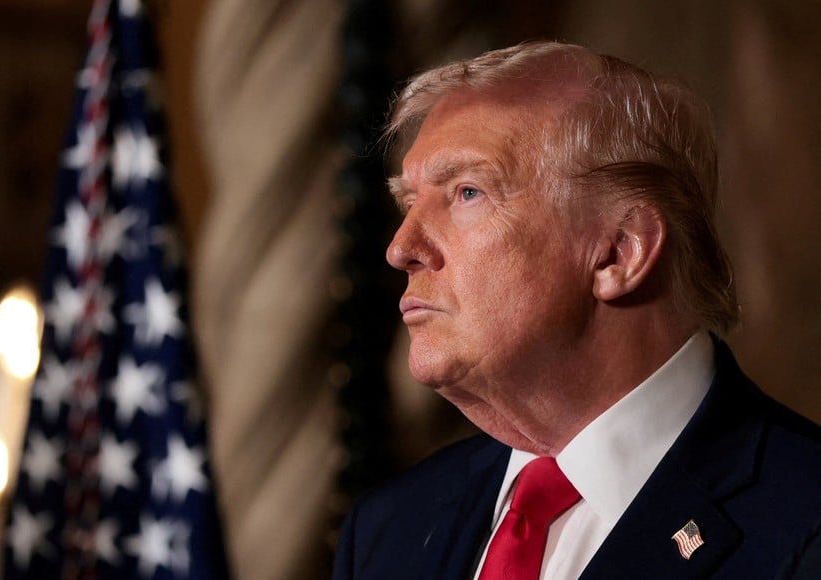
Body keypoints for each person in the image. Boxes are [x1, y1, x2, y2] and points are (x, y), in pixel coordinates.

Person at [331, 40, 821, 579]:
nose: (401, 248)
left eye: (468, 192)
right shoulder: (387, 529)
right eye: (408, 203)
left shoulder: (804, 524)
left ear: (618, 253)